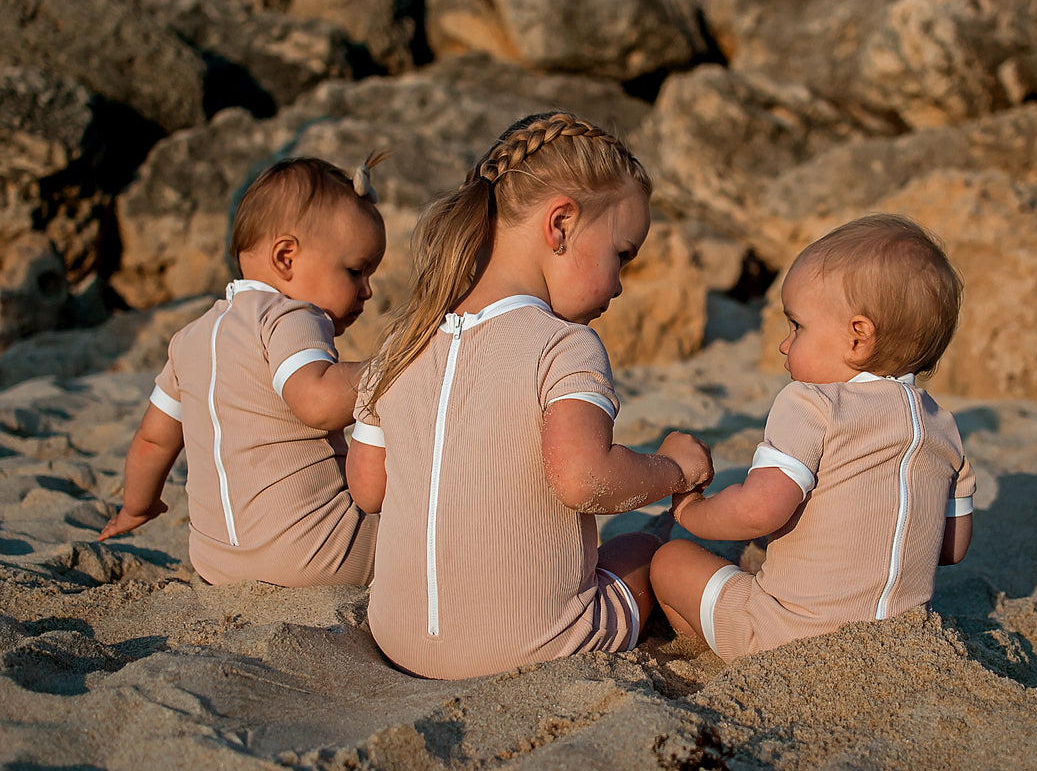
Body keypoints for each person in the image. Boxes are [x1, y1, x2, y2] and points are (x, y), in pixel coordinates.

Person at [348, 111, 713, 680]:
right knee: (647, 550)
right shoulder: (564, 344)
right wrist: (674, 469)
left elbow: (369, 490)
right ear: (561, 224)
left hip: (397, 637)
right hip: (530, 648)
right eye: (621, 254)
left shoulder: (402, 339)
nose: (619, 283)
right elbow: (582, 480)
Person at [650, 213, 975, 661]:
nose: (785, 344)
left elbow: (758, 510)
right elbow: (952, 548)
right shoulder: (945, 429)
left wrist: (691, 510)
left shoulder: (812, 403)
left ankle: (710, 653)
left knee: (672, 562)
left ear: (858, 338)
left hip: (790, 639)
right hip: (901, 647)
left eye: (796, 326)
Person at [98, 154, 388, 587]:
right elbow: (317, 402)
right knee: (420, 517)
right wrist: (390, 367)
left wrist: (137, 507)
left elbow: (152, 440)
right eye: (355, 270)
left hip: (216, 563)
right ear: (287, 257)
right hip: (320, 554)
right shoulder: (290, 317)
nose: (367, 290)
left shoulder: (189, 338)